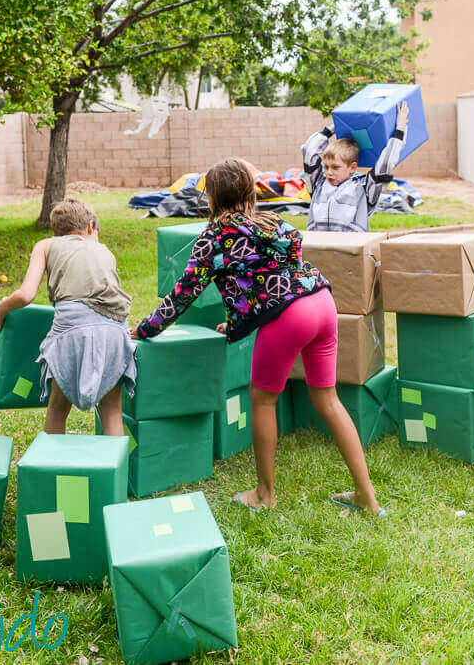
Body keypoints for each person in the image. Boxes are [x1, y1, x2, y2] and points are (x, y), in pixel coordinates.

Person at [131, 159, 384, 516]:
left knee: (262, 400)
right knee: (328, 400)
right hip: (323, 304)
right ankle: (367, 497)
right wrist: (237, 322)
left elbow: (182, 295)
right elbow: (269, 272)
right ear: (250, 191)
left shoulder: (214, 237)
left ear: (212, 197)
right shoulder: (273, 221)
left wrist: (144, 330)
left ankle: (265, 494)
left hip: (289, 318)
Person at [0, 199, 135, 436]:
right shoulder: (105, 251)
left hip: (72, 331)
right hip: (115, 330)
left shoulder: (46, 245)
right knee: (111, 410)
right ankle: (116, 472)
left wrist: (3, 308)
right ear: (90, 227)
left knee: (57, 409)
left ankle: (54, 469)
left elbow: (26, 295)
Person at [302, 101, 410, 232]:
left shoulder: (363, 189)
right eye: (326, 167)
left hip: (350, 250)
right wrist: (334, 127)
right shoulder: (318, 184)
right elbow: (309, 150)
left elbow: (385, 164)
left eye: (335, 167)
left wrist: (400, 128)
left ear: (352, 168)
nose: (328, 172)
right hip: (319, 249)